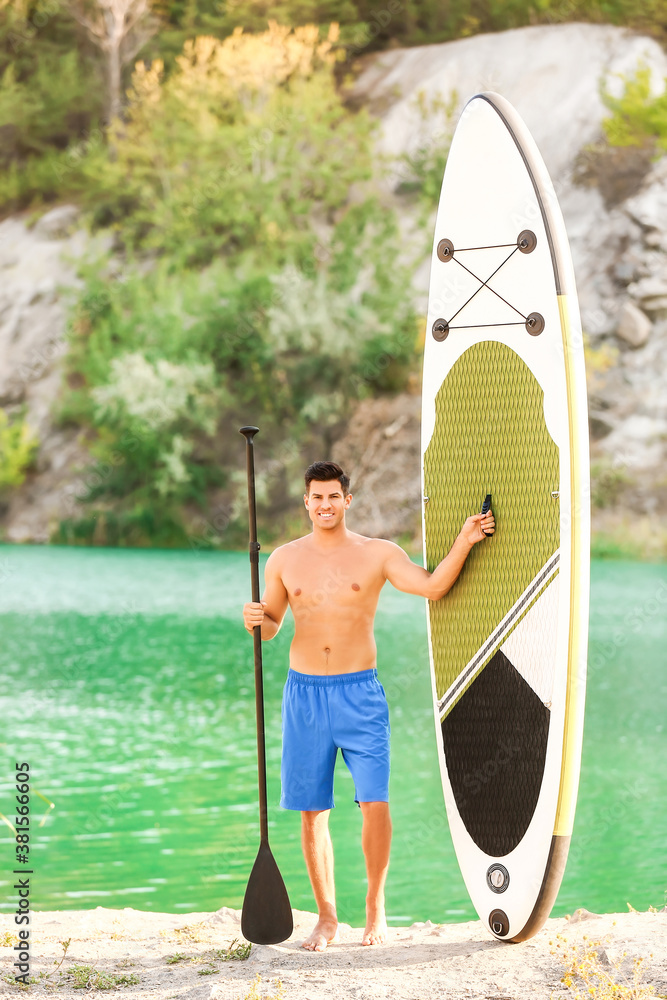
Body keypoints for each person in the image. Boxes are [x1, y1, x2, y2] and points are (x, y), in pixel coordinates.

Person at [242, 461, 495, 952]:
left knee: (374, 802)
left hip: (360, 694)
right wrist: (256, 618)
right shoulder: (283, 560)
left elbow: (432, 587)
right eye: (316, 497)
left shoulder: (378, 554)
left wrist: (464, 540)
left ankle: (376, 906)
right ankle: (328, 917)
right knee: (312, 813)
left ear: (347, 500)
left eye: (333, 496)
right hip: (305, 695)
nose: (325, 505)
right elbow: (271, 626)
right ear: (306, 502)